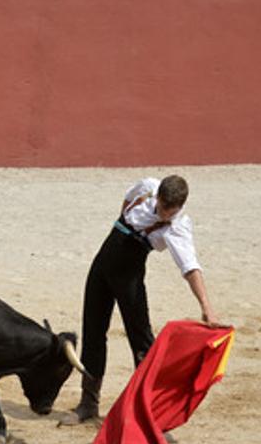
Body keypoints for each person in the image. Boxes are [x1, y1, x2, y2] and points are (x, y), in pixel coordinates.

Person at [72, 175, 221, 423]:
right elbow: (129, 195)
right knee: (93, 330)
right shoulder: (149, 187)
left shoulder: (177, 227)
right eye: (161, 207)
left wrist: (206, 306)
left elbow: (190, 267)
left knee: (141, 340)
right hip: (102, 264)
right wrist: (123, 224)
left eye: (168, 211)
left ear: (180, 207)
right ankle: (88, 404)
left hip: (129, 276)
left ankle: (151, 411)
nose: (163, 214)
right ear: (158, 196)